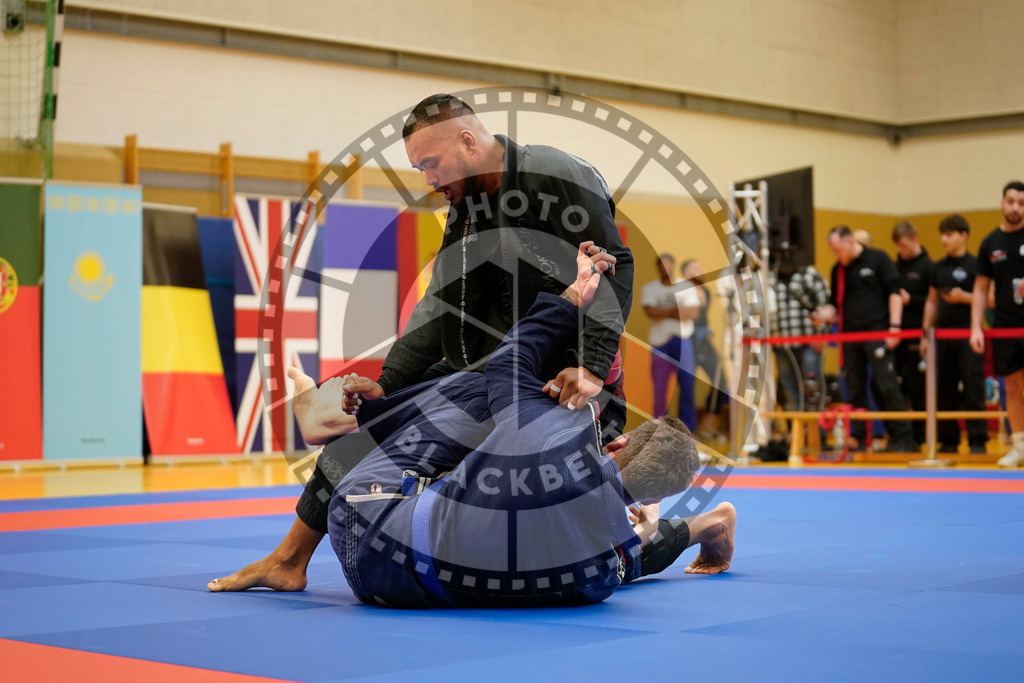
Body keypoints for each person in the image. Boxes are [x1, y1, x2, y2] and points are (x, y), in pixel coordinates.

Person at [209, 244, 736, 600]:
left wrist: (576, 293)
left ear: (617, 444)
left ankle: (353, 414)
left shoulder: (554, 426)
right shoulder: (603, 572)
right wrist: (641, 527)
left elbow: (510, 362)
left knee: (480, 392)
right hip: (393, 591)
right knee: (576, 549)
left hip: (363, 532)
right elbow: (626, 552)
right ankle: (703, 524)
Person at [283, 93, 636, 562]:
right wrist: (390, 383)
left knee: (569, 536)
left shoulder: (553, 174)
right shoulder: (468, 203)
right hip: (488, 374)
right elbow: (443, 301)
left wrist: (590, 366)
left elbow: (614, 265)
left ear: (468, 142)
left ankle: (691, 529)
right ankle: (289, 560)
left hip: (555, 383)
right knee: (366, 433)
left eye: (432, 164)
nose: (429, 180)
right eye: (420, 169)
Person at [812, 225, 916, 452]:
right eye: (833, 251)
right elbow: (833, 303)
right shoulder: (838, 269)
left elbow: (895, 293)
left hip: (878, 333)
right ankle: (859, 437)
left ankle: (904, 438)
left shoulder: (879, 259)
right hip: (850, 337)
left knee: (886, 385)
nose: (836, 255)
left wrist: (894, 327)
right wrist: (821, 315)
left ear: (850, 242)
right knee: (855, 388)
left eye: (838, 250)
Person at [921, 214, 988, 454]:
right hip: (941, 336)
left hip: (969, 333)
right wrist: (925, 334)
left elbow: (989, 299)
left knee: (972, 387)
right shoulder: (938, 267)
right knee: (943, 388)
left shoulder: (977, 264)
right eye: (942, 235)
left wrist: (963, 297)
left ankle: (977, 440)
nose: (944, 240)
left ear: (963, 235)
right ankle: (948, 439)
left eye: (949, 235)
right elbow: (931, 301)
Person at [971, 181, 1024, 467]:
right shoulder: (990, 243)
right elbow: (980, 288)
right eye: (1011, 201)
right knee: (1012, 386)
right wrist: (976, 327)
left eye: (1021, 203)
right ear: (1002, 203)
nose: (1015, 207)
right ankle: (1019, 444)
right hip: (1005, 324)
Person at [641, 254, 700, 428]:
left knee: (687, 386)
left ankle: (687, 429)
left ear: (673, 265)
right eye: (662, 265)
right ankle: (660, 429)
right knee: (660, 388)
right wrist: (676, 310)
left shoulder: (686, 286)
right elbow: (650, 312)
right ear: (657, 267)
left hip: (683, 341)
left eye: (668, 265)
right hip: (660, 344)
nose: (665, 268)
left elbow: (692, 313)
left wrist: (663, 312)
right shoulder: (650, 288)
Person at [768, 261, 830, 412]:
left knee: (812, 390)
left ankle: (815, 426)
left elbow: (826, 305)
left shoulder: (809, 274)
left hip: (809, 343)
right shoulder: (769, 277)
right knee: (789, 391)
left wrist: (821, 334)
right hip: (781, 345)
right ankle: (795, 426)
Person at [892, 220, 933, 446]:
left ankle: (922, 433)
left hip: (919, 333)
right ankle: (903, 433)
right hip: (898, 334)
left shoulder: (928, 266)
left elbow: (933, 301)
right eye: (898, 246)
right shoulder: (895, 267)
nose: (901, 251)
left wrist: (910, 300)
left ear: (914, 239)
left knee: (919, 386)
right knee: (900, 384)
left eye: (904, 245)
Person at [680, 259, 727, 436]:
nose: (699, 270)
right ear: (686, 273)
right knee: (687, 384)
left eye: (699, 267)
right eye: (694, 268)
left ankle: (710, 418)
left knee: (720, 379)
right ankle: (686, 428)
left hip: (704, 340)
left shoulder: (706, 290)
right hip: (688, 340)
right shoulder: (682, 290)